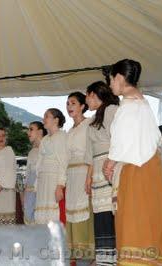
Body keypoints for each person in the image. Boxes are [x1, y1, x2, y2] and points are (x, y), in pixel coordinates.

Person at [103, 59, 162, 265]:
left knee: (134, 223)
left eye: (111, 79)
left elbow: (120, 141)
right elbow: (155, 138)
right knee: (150, 221)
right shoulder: (144, 104)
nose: (110, 84)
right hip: (152, 170)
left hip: (136, 173)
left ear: (120, 78)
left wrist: (109, 164)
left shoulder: (128, 107)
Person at [85, 81, 119, 265]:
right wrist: (88, 176)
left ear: (93, 94)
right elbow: (90, 151)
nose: (86, 100)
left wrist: (111, 163)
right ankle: (104, 259)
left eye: (86, 95)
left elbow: (118, 140)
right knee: (101, 215)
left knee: (111, 213)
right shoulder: (93, 119)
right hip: (97, 168)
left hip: (110, 165)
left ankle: (114, 259)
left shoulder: (112, 110)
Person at [65, 92, 95, 262]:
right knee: (72, 216)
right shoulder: (69, 131)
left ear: (83, 106)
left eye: (73, 103)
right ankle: (77, 257)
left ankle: (87, 260)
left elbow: (92, 153)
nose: (69, 106)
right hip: (71, 177)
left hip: (84, 174)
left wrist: (89, 178)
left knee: (85, 215)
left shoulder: (89, 124)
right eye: (68, 103)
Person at [35, 109, 68, 224]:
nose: (43, 119)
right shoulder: (44, 139)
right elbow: (39, 163)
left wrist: (60, 185)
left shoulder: (61, 136)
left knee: (53, 214)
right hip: (43, 182)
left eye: (47, 116)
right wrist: (36, 184)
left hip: (53, 181)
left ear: (56, 120)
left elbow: (63, 162)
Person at [23, 121, 47, 225]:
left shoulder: (47, 148)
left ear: (40, 132)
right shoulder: (32, 152)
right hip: (30, 194)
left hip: (42, 191)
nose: (28, 132)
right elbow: (28, 175)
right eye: (28, 129)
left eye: (31, 129)